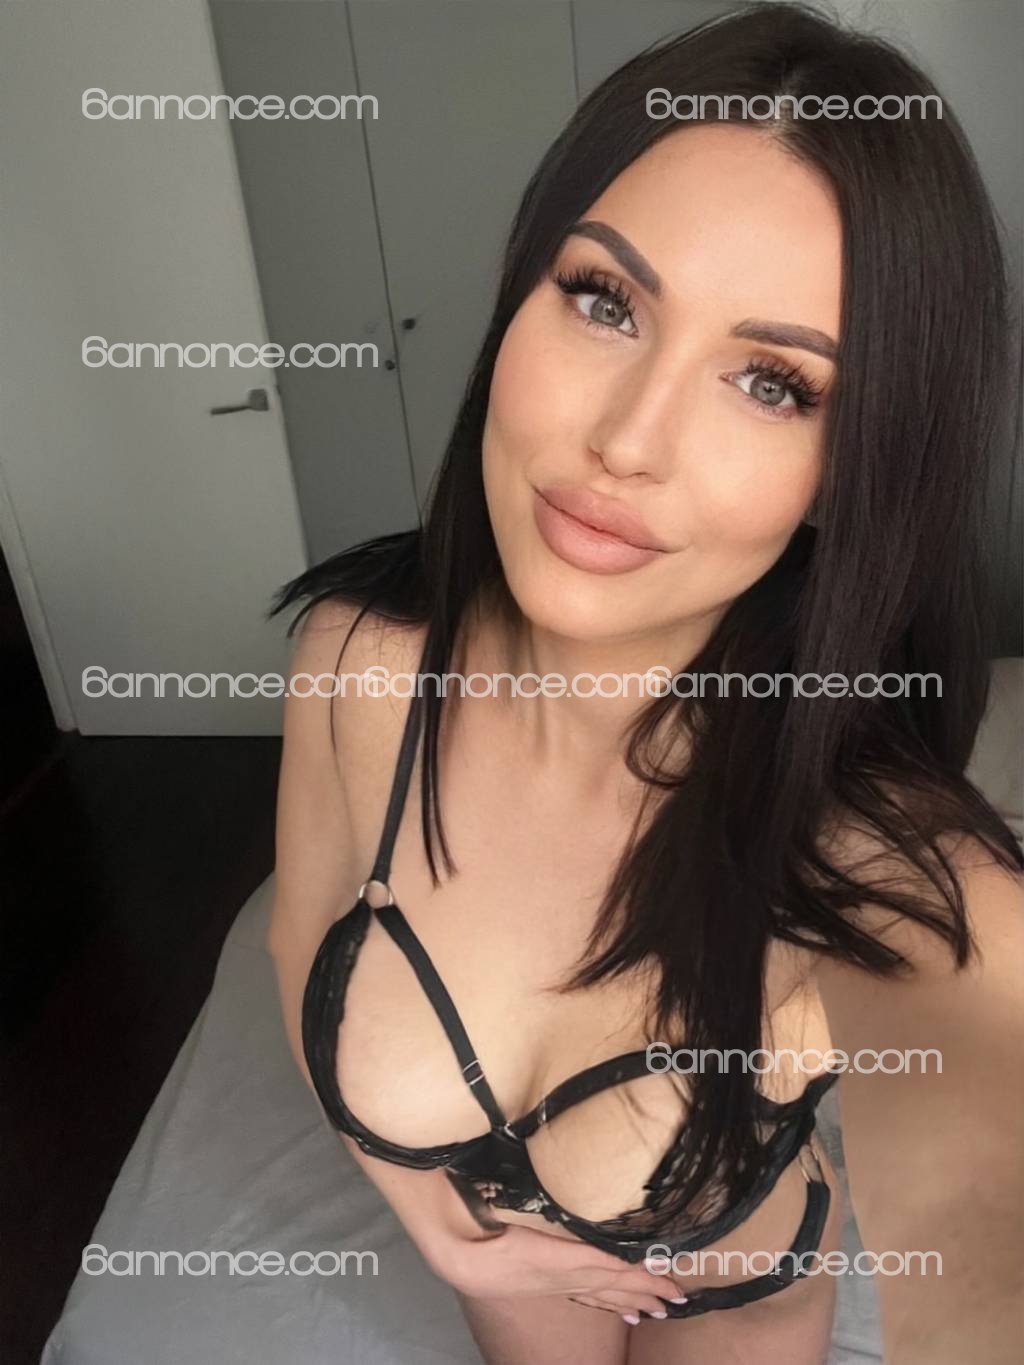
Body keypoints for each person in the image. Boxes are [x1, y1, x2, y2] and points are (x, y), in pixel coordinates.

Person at [267, 4, 1024, 1361]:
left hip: (735, 1298)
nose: (627, 439)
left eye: (774, 383)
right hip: (509, 1277)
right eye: (604, 301)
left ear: (851, 472)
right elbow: (294, 937)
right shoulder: (353, 663)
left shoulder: (894, 868)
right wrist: (433, 1218)